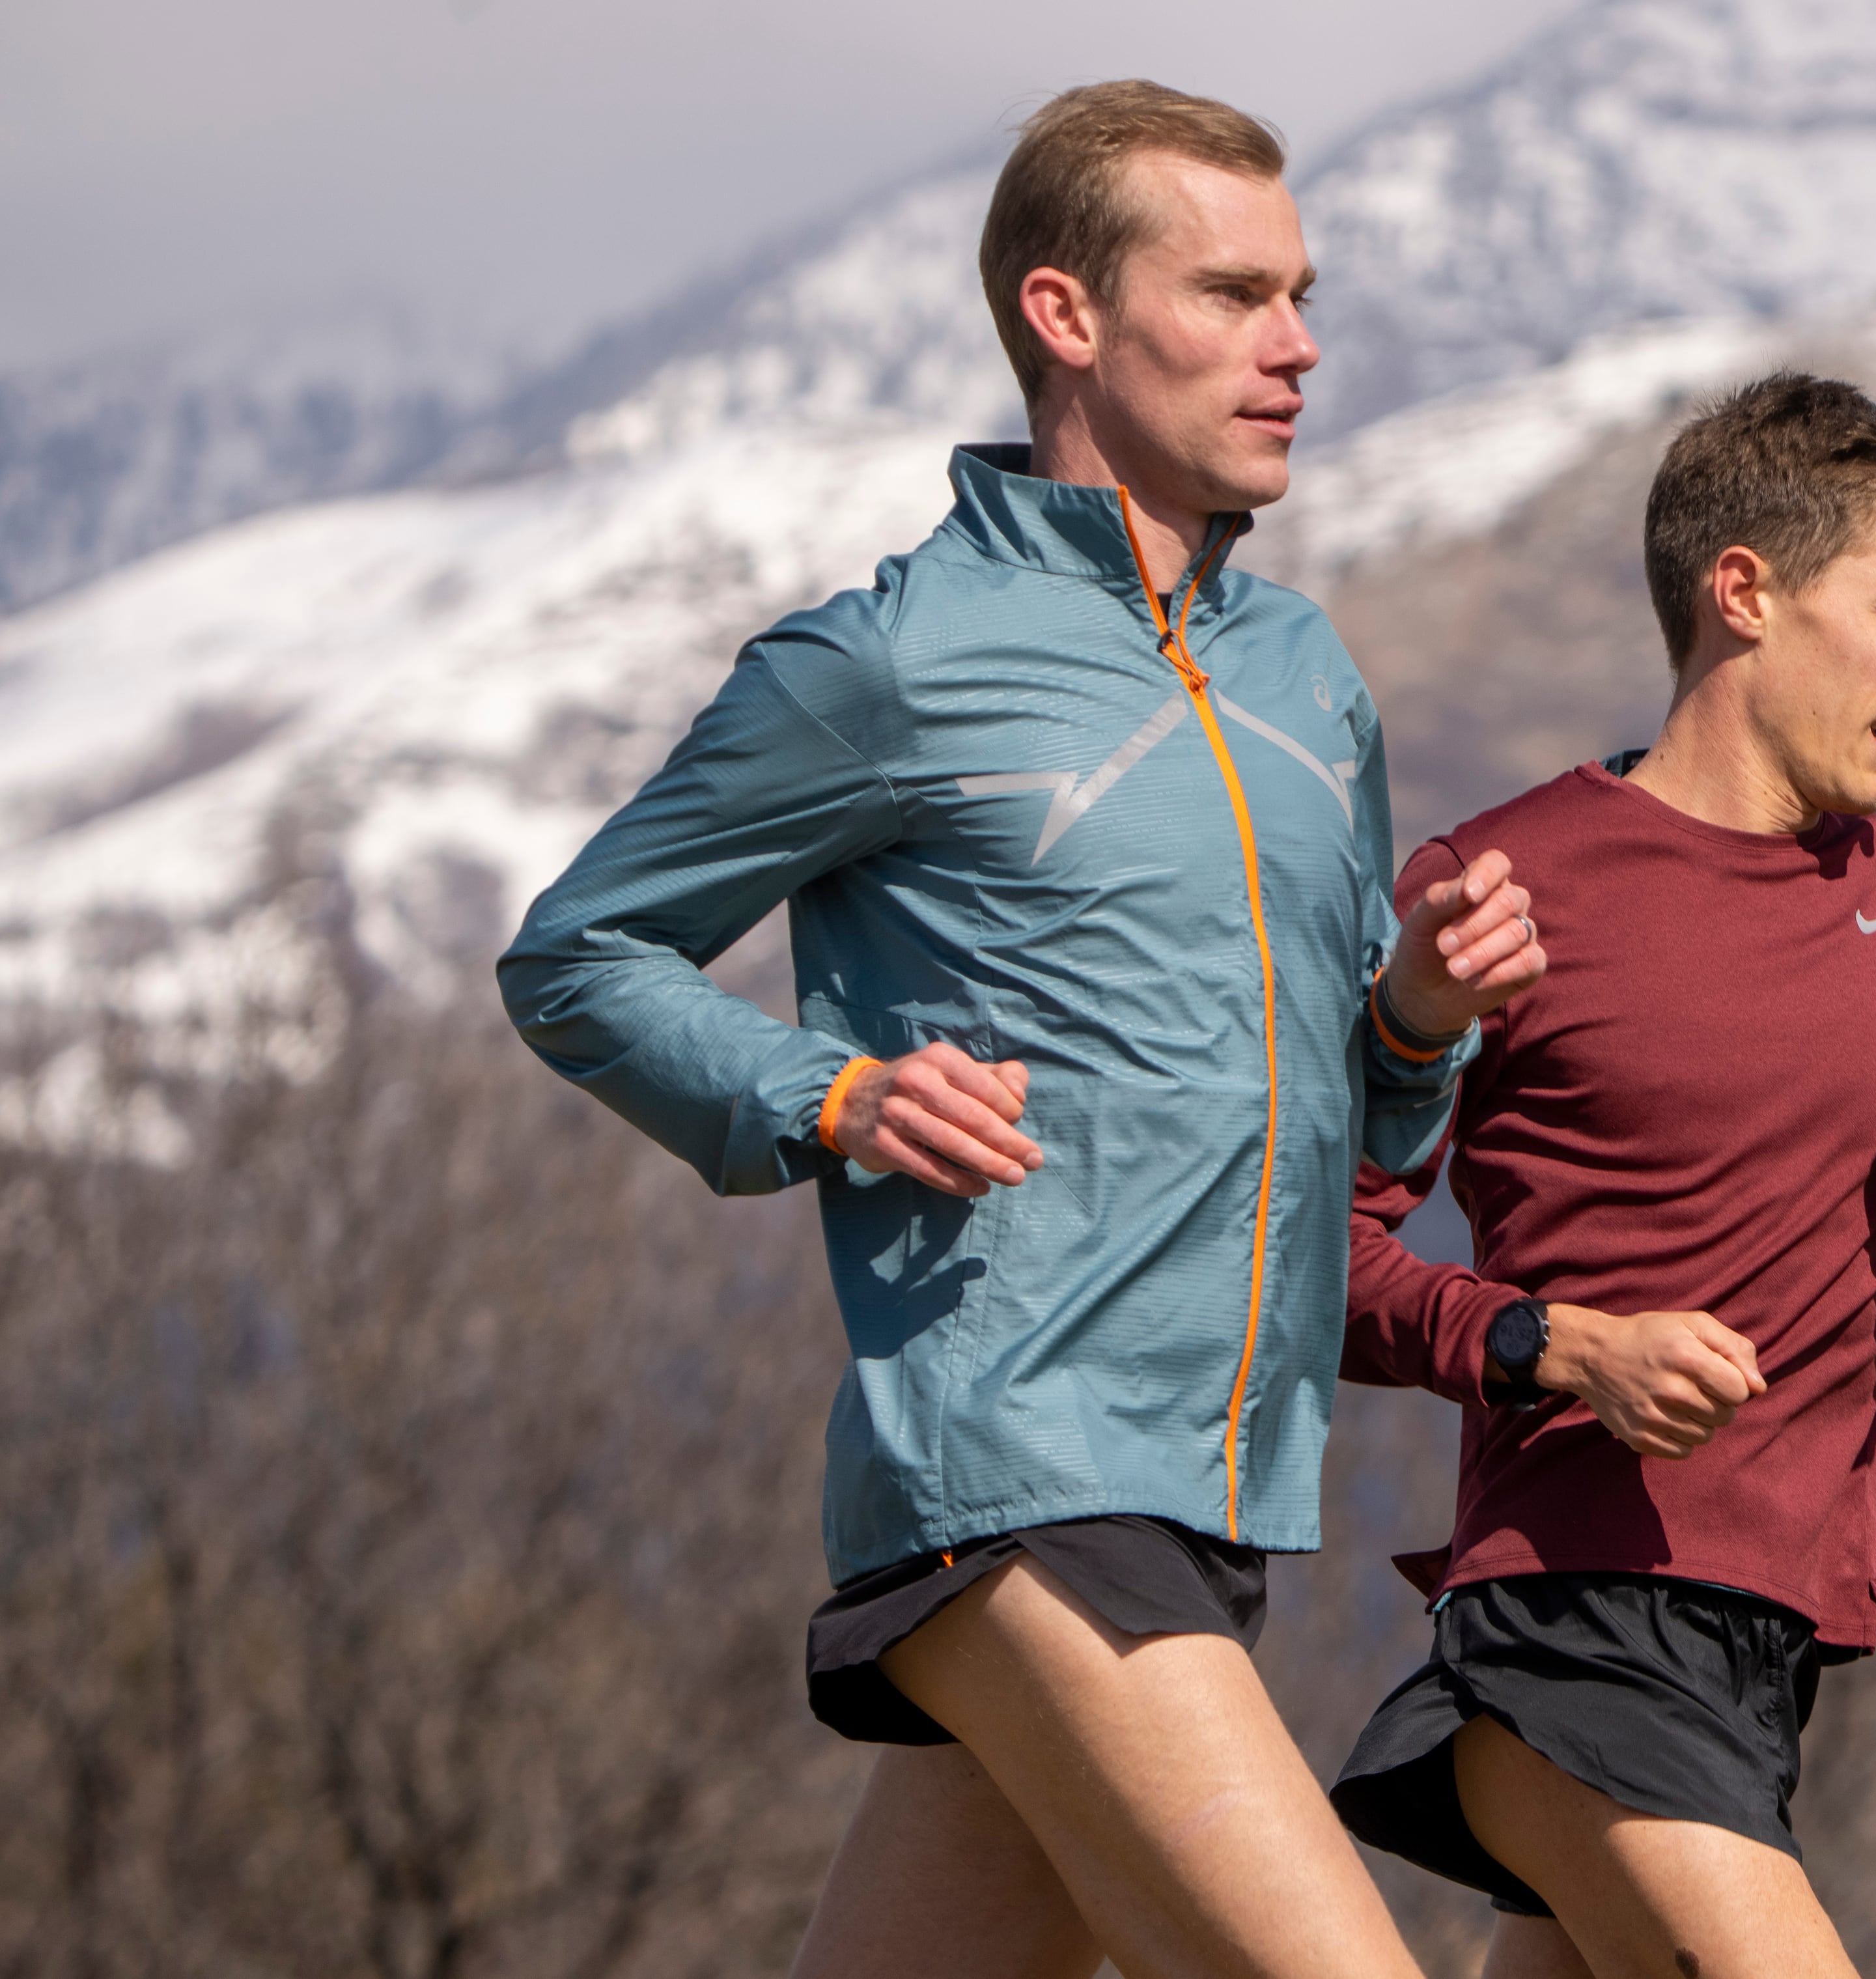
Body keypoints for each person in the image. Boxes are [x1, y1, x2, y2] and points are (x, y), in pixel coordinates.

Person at [496, 81, 1543, 1979]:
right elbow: (580, 955)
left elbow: (1365, 1147)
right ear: (1066, 316)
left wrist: (1417, 1016)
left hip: (1225, 1485)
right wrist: (833, 1091)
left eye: (1302, 295)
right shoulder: (888, 663)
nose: (1296, 346)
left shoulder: (1311, 682)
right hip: (1020, 1468)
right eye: (1232, 294)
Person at [1329, 373, 1876, 1979]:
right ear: (1744, 593)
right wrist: (1556, 1343)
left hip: (1773, 1638)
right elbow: (1302, 1266)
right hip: (1574, 1622)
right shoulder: (1496, 885)